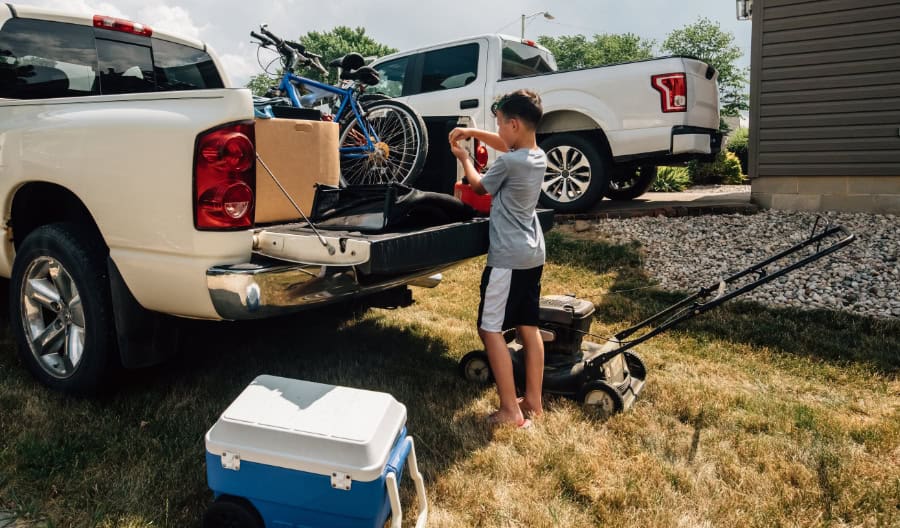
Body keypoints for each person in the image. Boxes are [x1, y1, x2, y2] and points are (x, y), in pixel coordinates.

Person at [449, 89, 546, 429]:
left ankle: (510, 411)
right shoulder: (536, 155)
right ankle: (533, 401)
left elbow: (478, 187)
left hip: (508, 258)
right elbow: (506, 145)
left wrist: (464, 158)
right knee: (528, 327)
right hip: (532, 253)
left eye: (501, 124)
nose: (499, 131)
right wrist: (472, 132)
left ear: (515, 124)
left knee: (489, 329)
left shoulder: (508, 162)